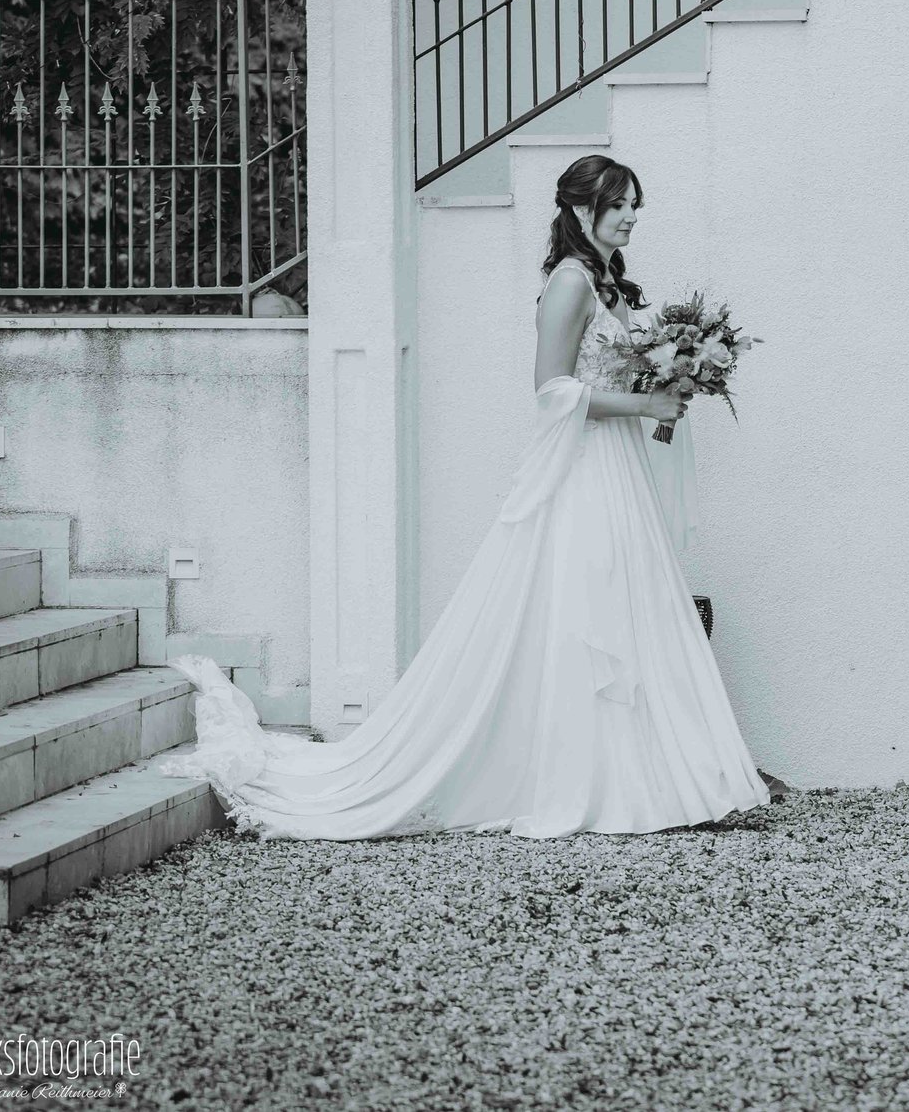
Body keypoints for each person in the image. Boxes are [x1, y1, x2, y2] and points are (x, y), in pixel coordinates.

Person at [157, 155, 773, 837]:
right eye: (619, 204)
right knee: (585, 607)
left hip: (616, 465)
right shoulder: (570, 282)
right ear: (581, 209)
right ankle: (582, 779)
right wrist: (645, 402)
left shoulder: (606, 283)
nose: (631, 216)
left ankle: (639, 777)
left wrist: (669, 381)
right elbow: (551, 390)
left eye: (635, 204)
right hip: (585, 468)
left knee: (621, 605)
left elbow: (602, 377)